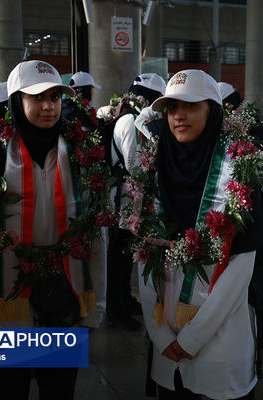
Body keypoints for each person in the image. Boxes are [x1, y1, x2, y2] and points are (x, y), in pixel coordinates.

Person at [0, 60, 107, 400]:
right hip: (8, 308)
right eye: (37, 97)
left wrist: (95, 306)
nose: (49, 106)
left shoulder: (79, 154)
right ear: (16, 101)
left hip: (65, 300)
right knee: (8, 391)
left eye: (56, 97)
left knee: (60, 390)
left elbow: (94, 234)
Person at [135, 69, 261, 399]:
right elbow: (144, 253)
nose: (178, 115)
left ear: (213, 111)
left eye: (190, 106)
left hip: (220, 336)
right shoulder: (153, 168)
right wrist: (159, 333)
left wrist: (192, 339)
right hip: (166, 334)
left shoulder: (241, 173)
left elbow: (242, 265)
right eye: (172, 107)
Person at [106, 72, 166, 328]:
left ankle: (124, 299)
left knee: (125, 254)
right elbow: (134, 165)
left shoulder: (129, 116)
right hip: (124, 200)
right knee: (119, 255)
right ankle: (115, 307)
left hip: (132, 198)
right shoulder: (131, 121)